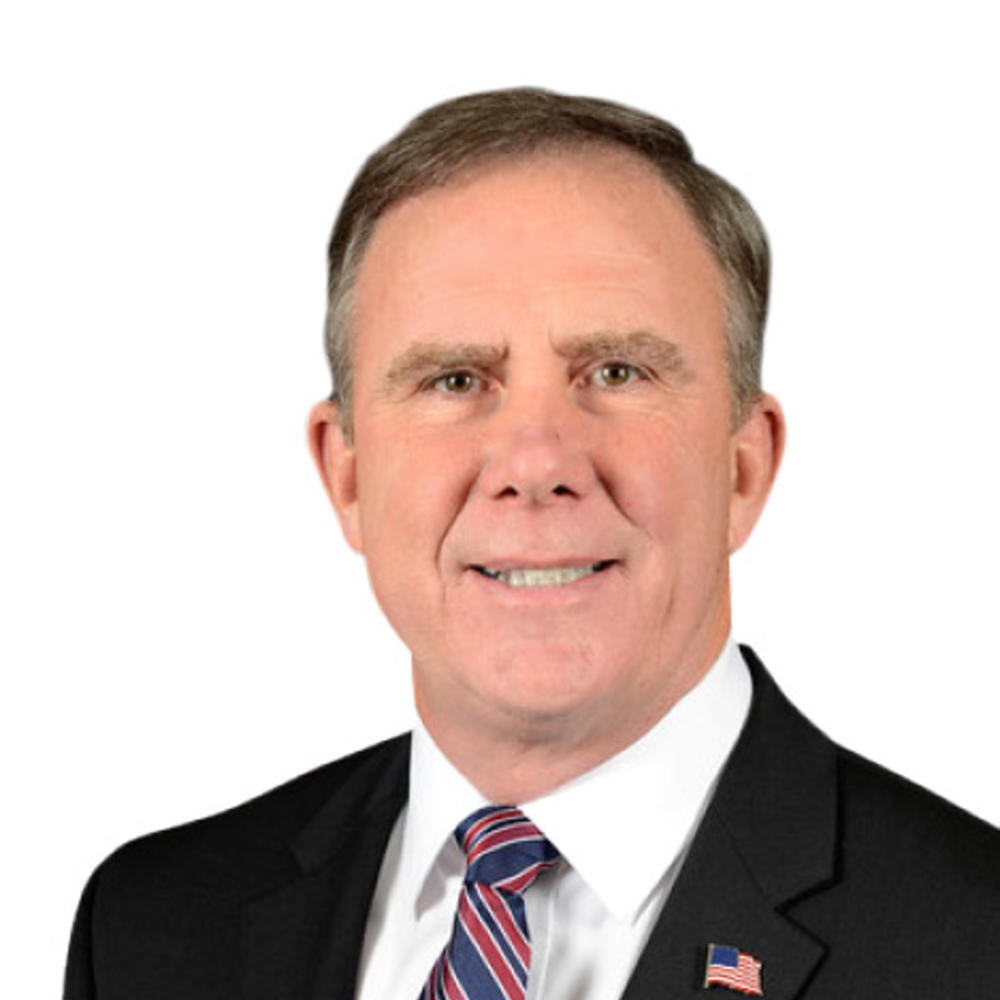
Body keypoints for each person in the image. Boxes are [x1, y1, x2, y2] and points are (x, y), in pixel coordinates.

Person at [64, 88, 1000, 1000]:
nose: (537, 463)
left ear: (743, 469)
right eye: (455, 379)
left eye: (617, 370)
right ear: (346, 475)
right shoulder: (151, 928)